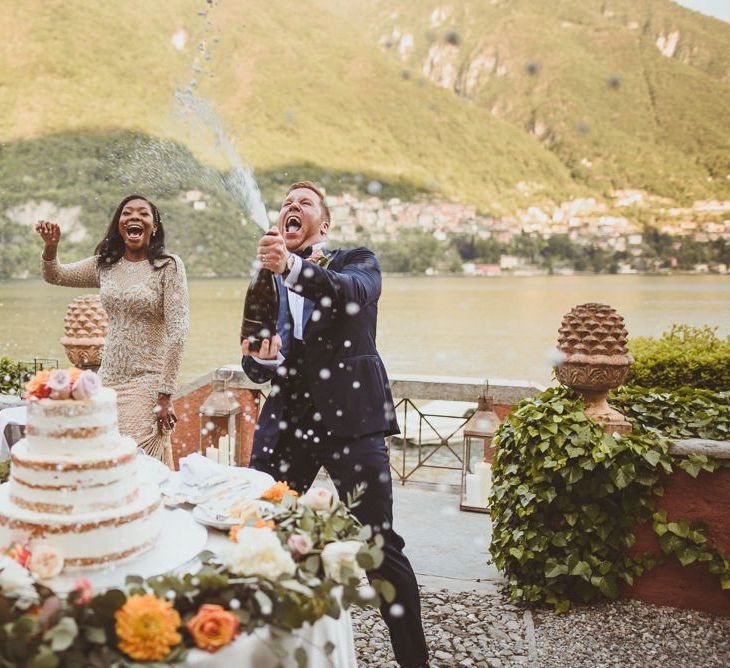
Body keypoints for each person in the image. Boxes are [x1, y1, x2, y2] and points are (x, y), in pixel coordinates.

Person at [241, 181, 429, 667]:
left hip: (353, 422)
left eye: (304, 203)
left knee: (379, 546)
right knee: (260, 530)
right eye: (286, 203)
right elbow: (255, 357)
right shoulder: (267, 278)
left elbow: (348, 294)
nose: (291, 207)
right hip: (287, 424)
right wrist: (262, 361)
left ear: (323, 224)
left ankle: (414, 661)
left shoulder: (356, 262)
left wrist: (293, 267)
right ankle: (265, 649)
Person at [35, 194, 189, 468]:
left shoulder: (168, 266)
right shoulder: (105, 265)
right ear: (119, 224)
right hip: (107, 380)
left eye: (143, 214)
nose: (134, 218)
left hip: (147, 382)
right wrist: (51, 247)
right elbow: (55, 275)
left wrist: (165, 394)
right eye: (127, 213)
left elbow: (179, 333)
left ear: (154, 226)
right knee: (102, 456)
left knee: (133, 463)